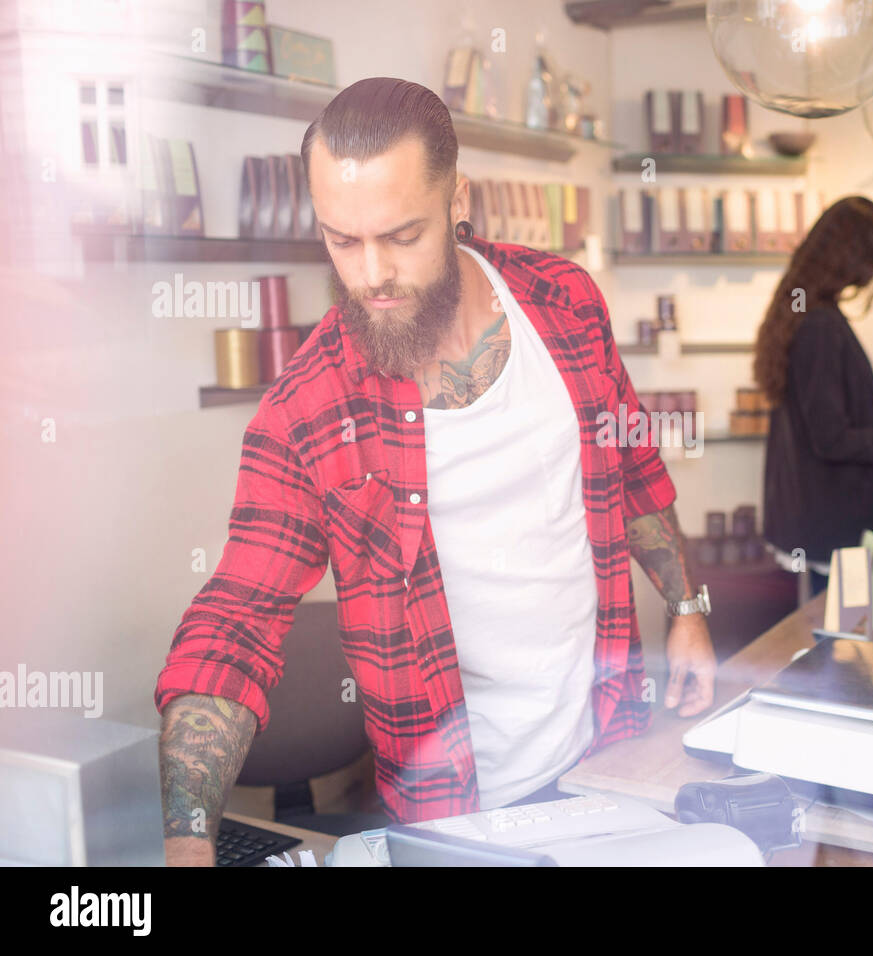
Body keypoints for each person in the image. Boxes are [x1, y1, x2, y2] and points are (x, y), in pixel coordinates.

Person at [153, 78, 716, 866]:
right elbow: (235, 623)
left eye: (401, 235)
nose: (372, 273)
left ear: (459, 201)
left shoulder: (566, 303)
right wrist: (187, 840)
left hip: (610, 755)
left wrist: (686, 607)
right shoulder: (306, 410)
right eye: (342, 241)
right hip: (452, 813)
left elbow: (633, 472)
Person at [756, 196, 873, 597]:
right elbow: (829, 437)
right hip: (836, 522)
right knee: (843, 643)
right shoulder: (820, 326)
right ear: (853, 259)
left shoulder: (801, 313)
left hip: (820, 515)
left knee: (838, 637)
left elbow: (817, 413)